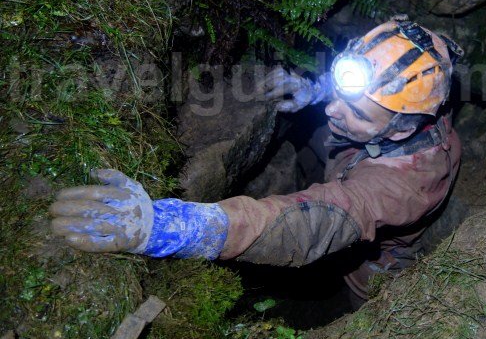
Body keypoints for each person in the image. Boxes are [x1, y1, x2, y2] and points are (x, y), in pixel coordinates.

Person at [50, 16, 464, 302]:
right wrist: (317, 87)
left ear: (402, 130)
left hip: (372, 269)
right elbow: (364, 90)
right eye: (340, 92)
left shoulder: (404, 185)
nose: (332, 110)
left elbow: (316, 221)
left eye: (355, 111)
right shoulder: (411, 96)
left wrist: (179, 227)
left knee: (364, 300)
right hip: (349, 160)